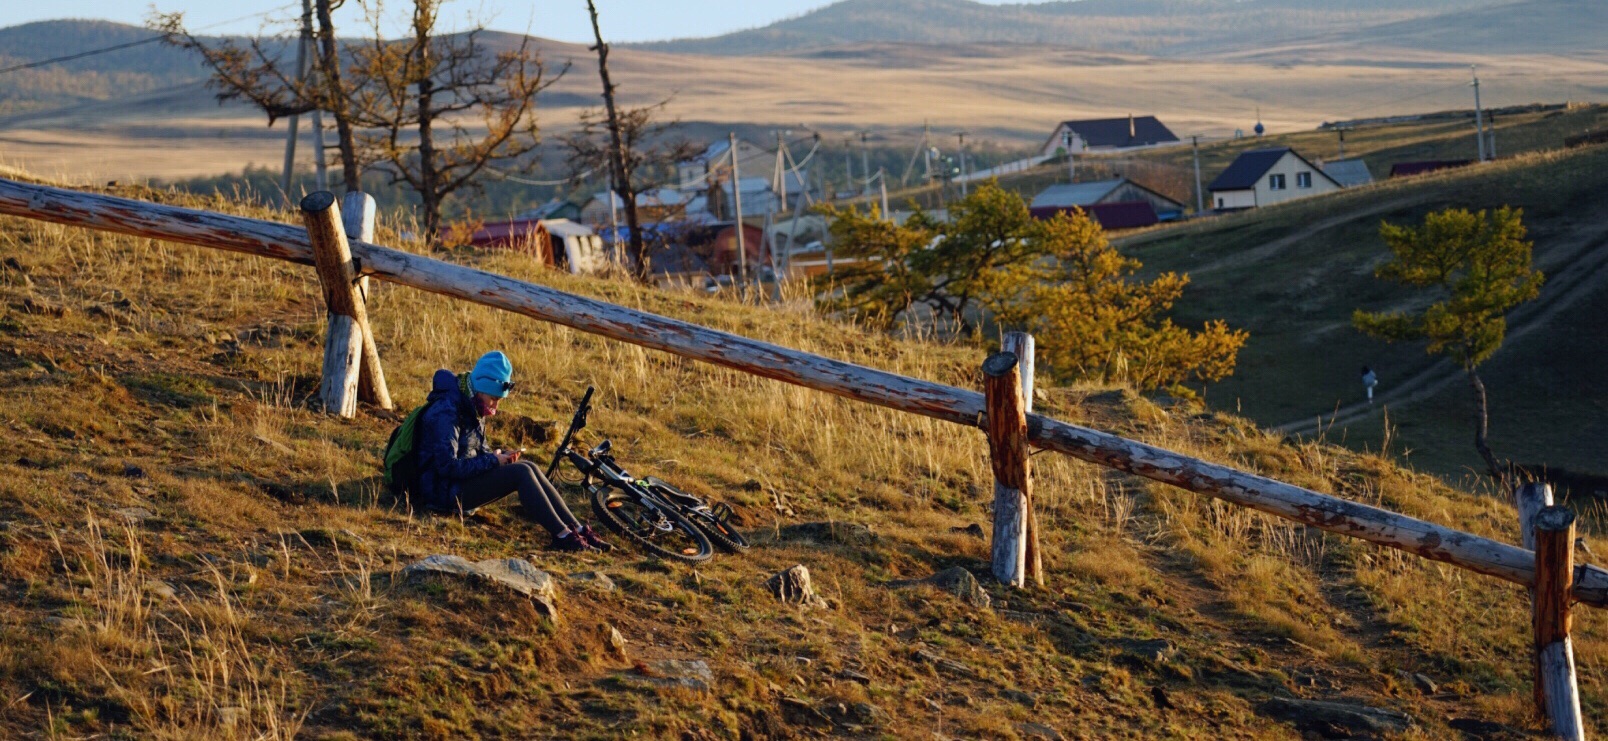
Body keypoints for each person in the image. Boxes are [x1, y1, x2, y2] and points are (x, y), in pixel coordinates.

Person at [416, 350, 610, 552]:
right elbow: (446, 466)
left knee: (529, 466)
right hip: (441, 492)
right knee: (521, 473)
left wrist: (499, 456)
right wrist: (493, 461)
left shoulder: (473, 402)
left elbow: (477, 450)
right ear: (481, 388)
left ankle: (577, 530)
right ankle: (562, 536)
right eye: (494, 398)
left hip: (458, 483)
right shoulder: (447, 410)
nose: (496, 406)